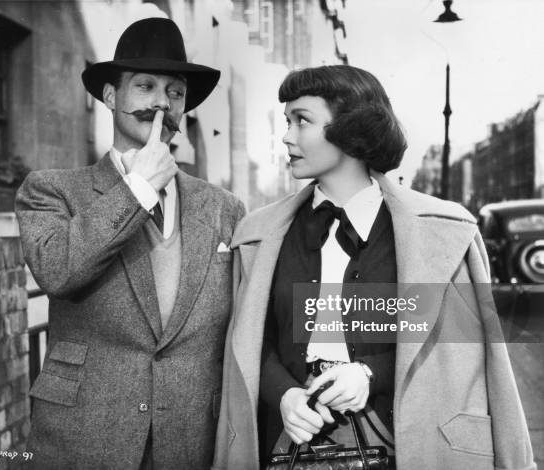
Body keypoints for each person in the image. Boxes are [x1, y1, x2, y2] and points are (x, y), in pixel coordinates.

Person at [212, 65, 535, 470]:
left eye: (302, 121)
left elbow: (454, 342)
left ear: (350, 130)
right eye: (287, 121)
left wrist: (367, 373)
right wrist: (284, 395)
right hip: (287, 442)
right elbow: (251, 342)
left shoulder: (442, 232)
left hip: (402, 439)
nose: (288, 136)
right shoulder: (258, 235)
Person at [16, 17, 244, 470]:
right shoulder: (52, 191)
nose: (161, 102)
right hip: (84, 439)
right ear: (110, 97)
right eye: (145, 86)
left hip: (190, 441)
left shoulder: (224, 208)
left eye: (175, 92)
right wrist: (138, 187)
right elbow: (58, 269)